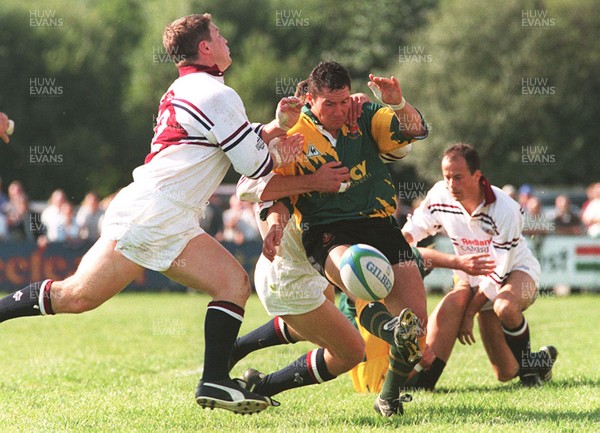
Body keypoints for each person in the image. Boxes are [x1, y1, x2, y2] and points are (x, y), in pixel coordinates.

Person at [0, 13, 303, 415]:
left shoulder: (192, 87)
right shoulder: (216, 94)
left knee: (230, 282)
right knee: (76, 296)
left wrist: (274, 128)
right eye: (219, 35)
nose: (226, 39)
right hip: (157, 212)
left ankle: (214, 380)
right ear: (205, 47)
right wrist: (285, 152)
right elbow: (252, 165)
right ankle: (214, 379)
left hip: (161, 211)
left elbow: (229, 144)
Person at [239, 61, 429, 417]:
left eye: (344, 102)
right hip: (327, 231)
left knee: (416, 328)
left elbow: (414, 132)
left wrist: (399, 104)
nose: (340, 111)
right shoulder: (292, 131)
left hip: (379, 224)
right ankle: (386, 327)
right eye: (330, 104)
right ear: (310, 99)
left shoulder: (365, 114)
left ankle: (388, 397)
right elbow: (251, 187)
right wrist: (308, 187)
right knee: (358, 270)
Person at [402, 143, 557, 390]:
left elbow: (498, 272)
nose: (451, 184)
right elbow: (411, 233)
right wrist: (390, 252)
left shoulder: (505, 208)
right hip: (470, 274)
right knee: (505, 372)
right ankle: (541, 360)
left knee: (504, 306)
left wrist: (471, 313)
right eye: (447, 177)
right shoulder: (439, 195)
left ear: (477, 176)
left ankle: (529, 374)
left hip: (514, 272)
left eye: (458, 177)